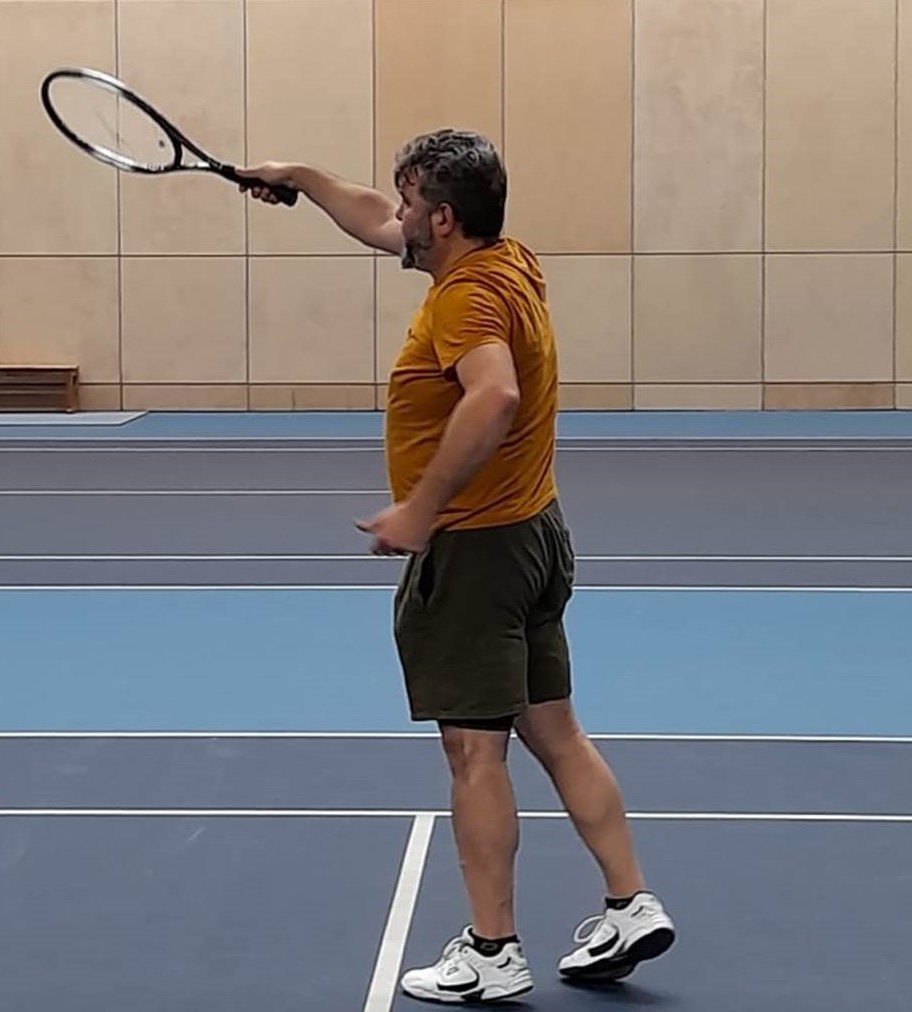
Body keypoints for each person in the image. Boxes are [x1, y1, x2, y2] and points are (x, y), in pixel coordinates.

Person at [237, 129, 675, 1004]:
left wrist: (420, 510)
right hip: (536, 536)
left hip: (476, 551)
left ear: (441, 218)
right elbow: (371, 219)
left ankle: (491, 949)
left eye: (409, 205)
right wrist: (298, 179)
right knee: (554, 730)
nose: (394, 217)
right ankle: (630, 903)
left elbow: (496, 392)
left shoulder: (463, 305)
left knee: (474, 755)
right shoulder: (507, 261)